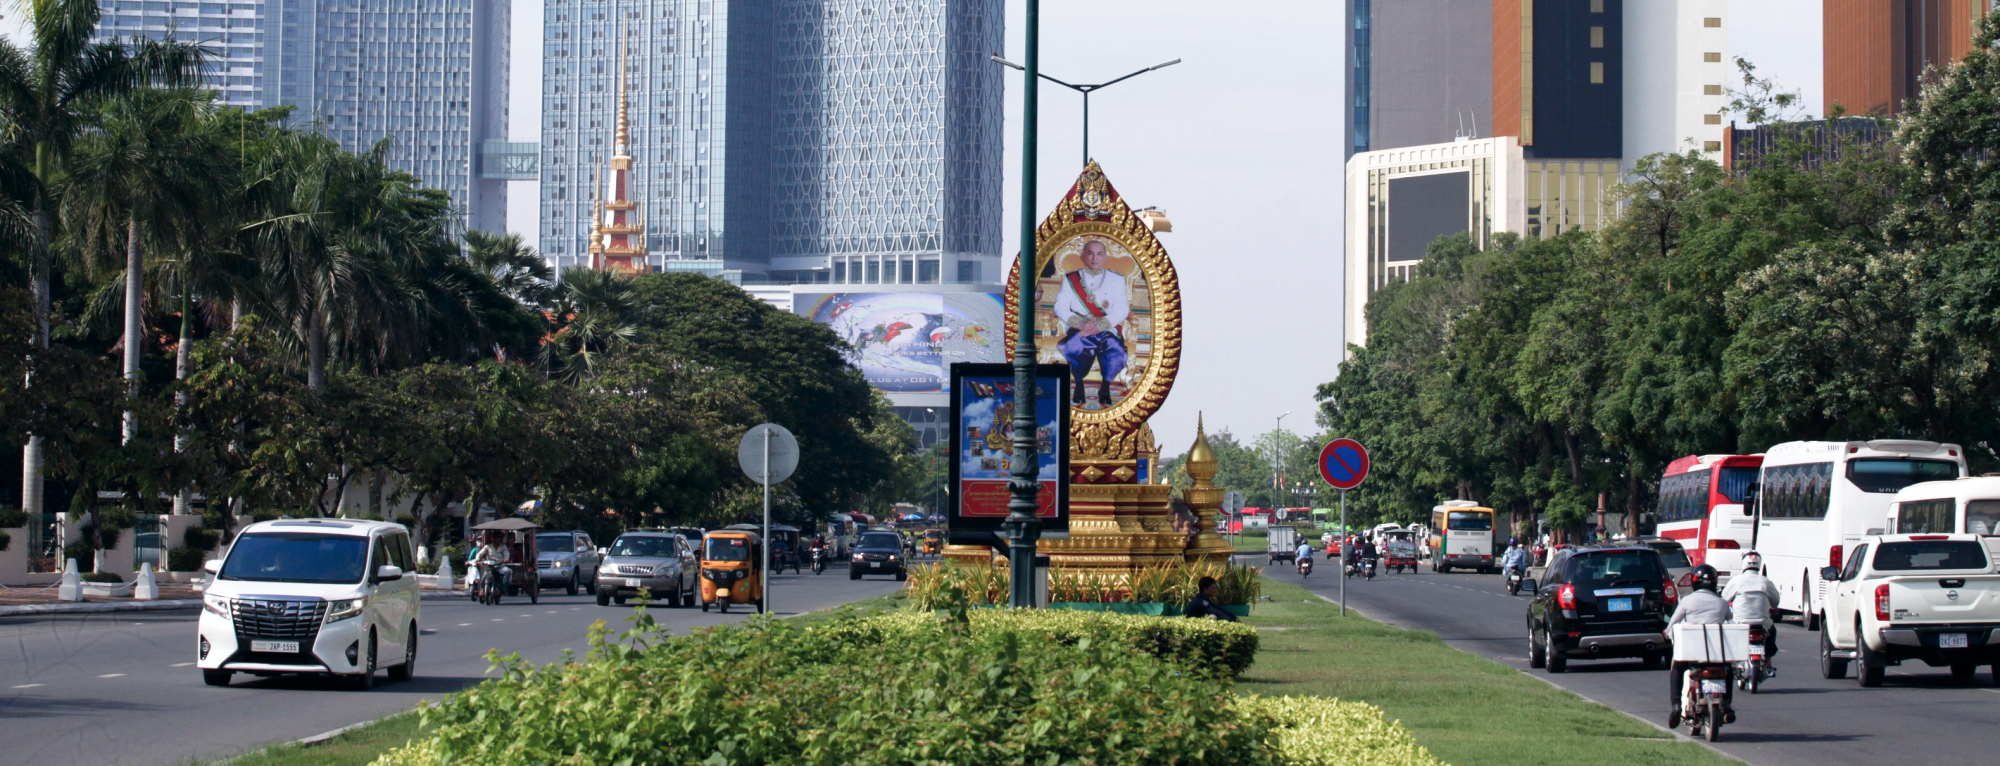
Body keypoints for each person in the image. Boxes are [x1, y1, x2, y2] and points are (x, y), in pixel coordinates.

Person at [1053, 239, 1130, 407]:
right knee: (1077, 345)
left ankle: (1106, 387)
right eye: (1090, 253)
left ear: (1105, 257)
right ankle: (1079, 384)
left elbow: (1122, 309)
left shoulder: (1116, 279)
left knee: (1114, 347)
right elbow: (1060, 306)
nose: (1095, 258)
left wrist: (1101, 324)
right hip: (1079, 328)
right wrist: (1080, 324)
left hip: (1106, 328)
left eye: (1099, 254)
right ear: (1083, 256)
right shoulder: (1071, 279)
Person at [1665, 564, 1734, 727]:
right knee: (1729, 669)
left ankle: (1676, 705)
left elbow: (1673, 623)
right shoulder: (1721, 603)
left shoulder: (1687, 601)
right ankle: (1728, 704)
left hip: (1692, 655)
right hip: (1717, 656)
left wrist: (1667, 632)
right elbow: (1731, 623)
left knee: (1677, 668)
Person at [1721, 551, 1782, 672]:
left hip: (1740, 623)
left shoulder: (1736, 581)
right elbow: (1776, 601)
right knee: (1772, 631)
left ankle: (1732, 659)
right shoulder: (1765, 581)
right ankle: (1768, 660)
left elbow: (1724, 599)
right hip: (1763, 624)